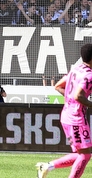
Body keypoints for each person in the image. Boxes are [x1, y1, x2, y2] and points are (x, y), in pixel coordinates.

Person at [37, 43, 92, 178]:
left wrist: (71, 100)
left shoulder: (76, 69)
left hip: (67, 115)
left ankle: (48, 166)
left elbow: (57, 86)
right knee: (86, 154)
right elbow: (78, 95)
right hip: (76, 118)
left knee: (81, 154)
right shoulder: (89, 75)